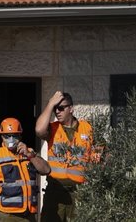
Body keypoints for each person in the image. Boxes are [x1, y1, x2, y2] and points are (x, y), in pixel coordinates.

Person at [34, 91, 95, 222]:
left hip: (80, 192)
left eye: (61, 108)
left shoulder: (88, 128)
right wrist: (50, 104)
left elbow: (100, 156)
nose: (57, 112)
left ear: (71, 109)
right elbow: (39, 130)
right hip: (55, 191)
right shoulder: (53, 128)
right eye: (55, 109)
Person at [0, 117, 51, 222]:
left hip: (29, 215)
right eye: (7, 136)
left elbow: (46, 170)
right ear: (2, 137)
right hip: (6, 215)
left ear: (20, 136)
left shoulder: (29, 153)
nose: (11, 139)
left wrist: (30, 155)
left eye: (15, 135)